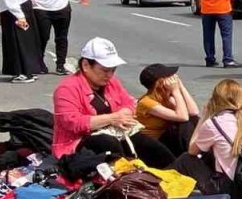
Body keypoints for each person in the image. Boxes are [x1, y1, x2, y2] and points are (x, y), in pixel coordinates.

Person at [51, 37, 175, 168]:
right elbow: (72, 122)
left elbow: (129, 102)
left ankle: (177, 177)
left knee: (151, 147)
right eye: (105, 70)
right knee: (110, 145)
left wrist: (123, 113)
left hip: (115, 132)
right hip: (78, 143)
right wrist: (111, 119)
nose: (109, 75)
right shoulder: (67, 89)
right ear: (86, 65)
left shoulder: (112, 82)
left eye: (113, 70)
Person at [173, 79, 242, 196]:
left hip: (230, 189)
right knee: (212, 152)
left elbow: (192, 150)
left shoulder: (213, 124)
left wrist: (203, 118)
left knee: (186, 159)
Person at [135, 64, 200, 157]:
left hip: (166, 139)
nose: (174, 79)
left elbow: (193, 112)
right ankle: (191, 154)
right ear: (160, 82)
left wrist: (181, 86)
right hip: (154, 144)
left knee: (193, 119)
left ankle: (195, 151)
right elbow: (183, 117)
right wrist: (175, 90)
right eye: (170, 77)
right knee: (185, 123)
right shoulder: (146, 102)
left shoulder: (166, 98)